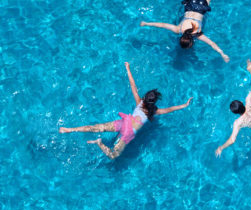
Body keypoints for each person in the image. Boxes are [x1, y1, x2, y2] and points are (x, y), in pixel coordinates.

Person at [59, 62, 193, 159]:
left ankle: (70, 129)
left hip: (124, 122)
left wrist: (128, 68)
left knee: (96, 127)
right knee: (113, 155)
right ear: (155, 102)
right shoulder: (154, 112)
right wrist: (184, 105)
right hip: (128, 133)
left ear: (145, 97)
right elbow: (170, 109)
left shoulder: (139, 102)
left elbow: (133, 85)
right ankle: (99, 143)